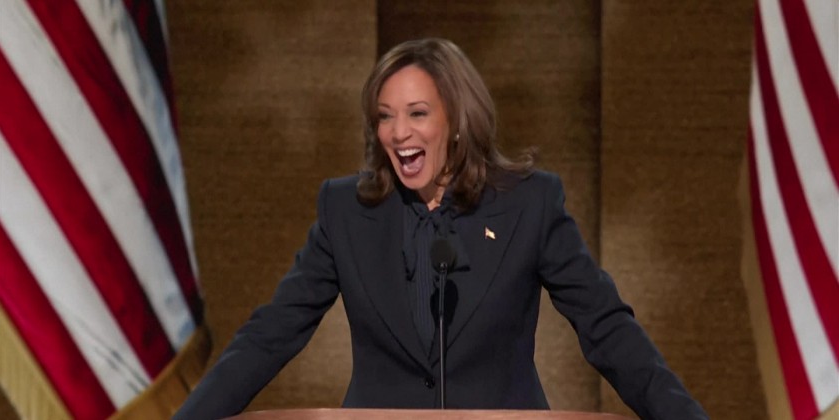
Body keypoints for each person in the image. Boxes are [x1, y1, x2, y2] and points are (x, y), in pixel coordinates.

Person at [174, 38, 707, 419]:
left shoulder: (529, 204)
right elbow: (271, 334)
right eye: (385, 115)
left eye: (417, 113)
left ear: (456, 119)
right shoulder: (347, 211)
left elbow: (607, 329)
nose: (398, 132)